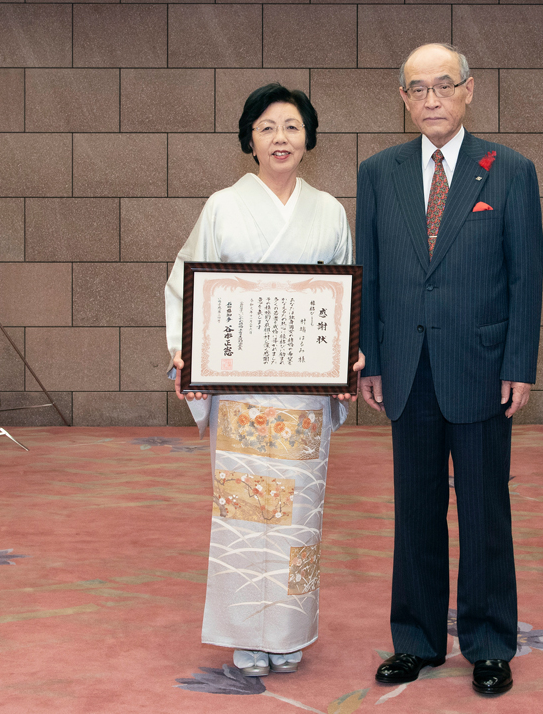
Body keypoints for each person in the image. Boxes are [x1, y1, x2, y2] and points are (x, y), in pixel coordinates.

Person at [356, 44, 543, 696]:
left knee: (486, 510)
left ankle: (490, 644)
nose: (431, 99)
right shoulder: (379, 172)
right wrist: (372, 359)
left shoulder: (510, 170)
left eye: (443, 86)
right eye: (417, 89)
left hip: (484, 367)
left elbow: (526, 275)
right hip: (406, 367)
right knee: (415, 508)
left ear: (468, 92)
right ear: (403, 99)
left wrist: (520, 362)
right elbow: (372, 275)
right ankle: (417, 639)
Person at [164, 84, 357, 677]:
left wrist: (350, 356)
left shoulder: (329, 211)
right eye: (268, 127)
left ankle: (290, 630)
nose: (281, 137)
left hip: (303, 393)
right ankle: (246, 632)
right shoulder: (223, 205)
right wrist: (187, 358)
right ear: (249, 139)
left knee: (298, 514)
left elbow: (349, 295)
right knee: (243, 514)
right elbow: (186, 284)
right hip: (242, 391)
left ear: (309, 140)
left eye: (292, 127)